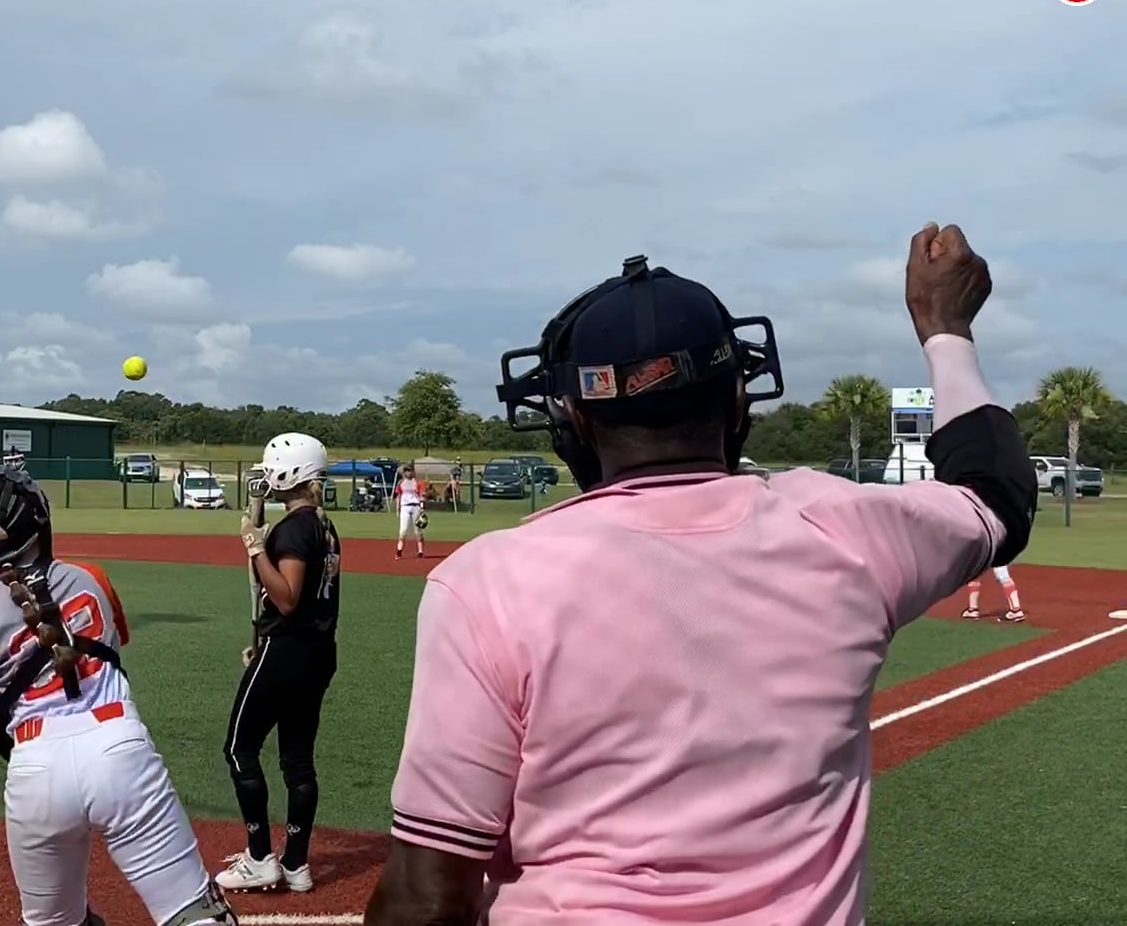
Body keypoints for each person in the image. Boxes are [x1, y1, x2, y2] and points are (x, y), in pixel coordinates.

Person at [364, 224, 1036, 924]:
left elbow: (426, 895)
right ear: (739, 401)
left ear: (575, 420)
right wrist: (945, 328)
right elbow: (996, 495)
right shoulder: (842, 529)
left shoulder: (489, 581)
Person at [0, 463, 237, 926]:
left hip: (35, 772)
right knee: (194, 914)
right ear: (38, 519)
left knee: (53, 922)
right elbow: (106, 639)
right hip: (120, 751)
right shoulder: (92, 576)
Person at [216, 433, 341, 895]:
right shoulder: (324, 526)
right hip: (317, 653)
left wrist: (254, 547)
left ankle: (259, 858)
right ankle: (295, 863)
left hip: (287, 649)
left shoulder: (294, 529)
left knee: (239, 749)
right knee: (298, 761)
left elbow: (286, 598)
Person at [393, 462, 425, 559]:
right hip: (405, 507)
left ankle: (420, 551)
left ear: (413, 472)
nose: (408, 472)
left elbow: (421, 496)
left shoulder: (418, 482)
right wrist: (397, 509)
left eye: (410, 470)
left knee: (417, 530)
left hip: (416, 507)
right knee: (403, 530)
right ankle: (399, 551)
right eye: (406, 471)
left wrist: (422, 508)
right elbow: (398, 496)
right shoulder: (401, 483)